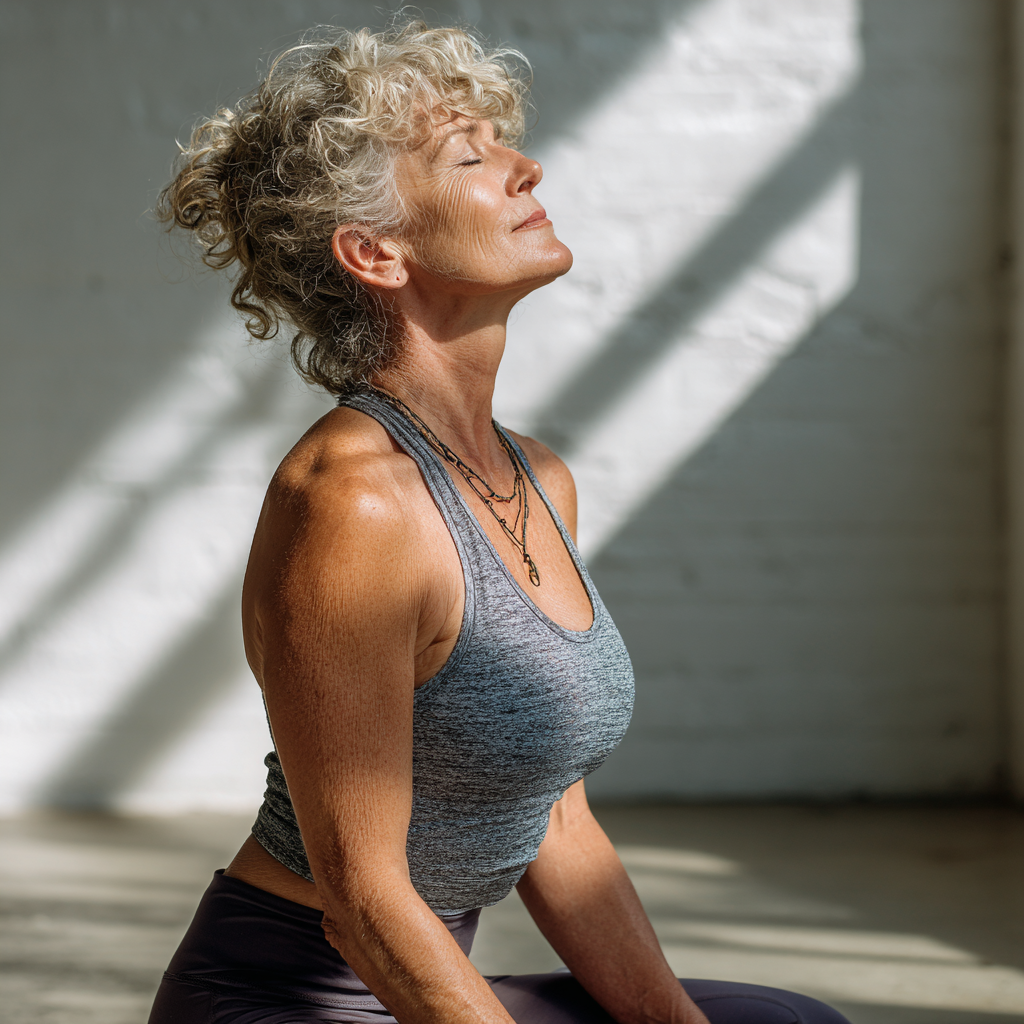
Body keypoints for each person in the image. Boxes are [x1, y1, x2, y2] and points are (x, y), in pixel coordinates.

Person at [148, 23, 851, 1024]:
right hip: (292, 996)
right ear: (372, 252)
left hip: (425, 983)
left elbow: (554, 821)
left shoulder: (537, 478)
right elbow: (364, 905)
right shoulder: (350, 504)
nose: (526, 167)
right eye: (470, 157)